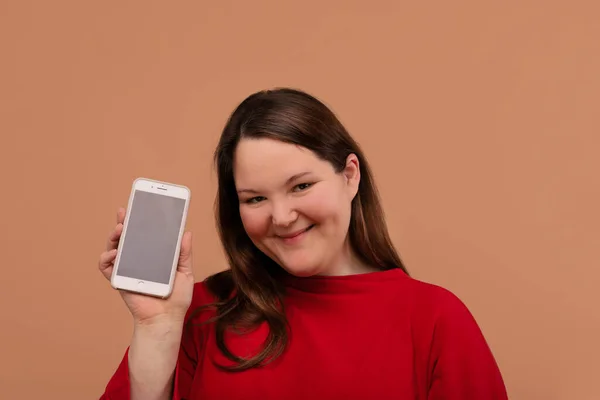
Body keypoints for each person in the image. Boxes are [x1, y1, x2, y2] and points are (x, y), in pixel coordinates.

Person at [98, 88, 508, 400]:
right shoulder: (200, 311)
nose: (281, 217)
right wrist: (157, 329)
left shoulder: (435, 320)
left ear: (349, 175)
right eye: (255, 198)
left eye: (301, 186)